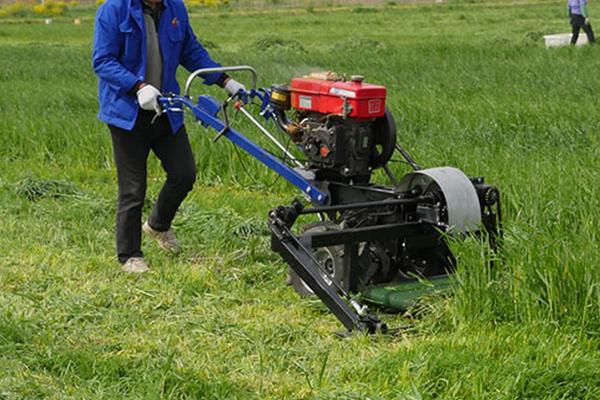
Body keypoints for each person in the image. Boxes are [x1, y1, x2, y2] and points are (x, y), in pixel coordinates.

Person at [92, 0, 245, 273]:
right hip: (127, 113)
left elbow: (190, 50)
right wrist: (137, 86)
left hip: (166, 108)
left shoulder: (174, 8)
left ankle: (158, 226)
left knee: (184, 173)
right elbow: (103, 61)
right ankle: (130, 255)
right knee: (133, 188)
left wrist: (224, 80)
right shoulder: (113, 10)